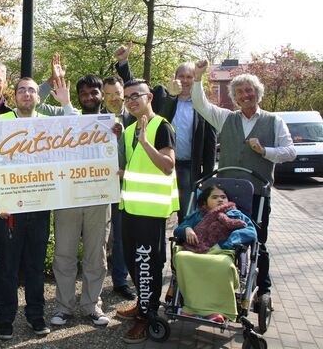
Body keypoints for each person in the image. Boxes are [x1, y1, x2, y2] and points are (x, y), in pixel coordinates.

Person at [191, 63, 296, 307]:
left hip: (258, 193)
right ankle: (224, 283)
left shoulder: (273, 121)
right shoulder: (226, 118)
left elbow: (290, 152)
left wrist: (265, 151)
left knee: (257, 241)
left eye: (249, 90)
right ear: (235, 98)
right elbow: (201, 104)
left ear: (257, 93)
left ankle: (262, 290)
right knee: (223, 238)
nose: (245, 95)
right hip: (226, 196)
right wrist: (198, 78)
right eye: (240, 92)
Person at [0, 76, 78, 340]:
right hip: (9, 209)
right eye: (22, 90)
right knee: (8, 267)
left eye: (31, 90)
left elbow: (76, 128)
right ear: (14, 95)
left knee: (35, 266)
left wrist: (67, 102)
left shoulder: (49, 122)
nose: (27, 94)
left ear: (39, 96)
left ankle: (35, 316)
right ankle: (6, 319)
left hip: (40, 207)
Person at [116, 79, 178, 344]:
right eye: (127, 97)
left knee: (146, 266)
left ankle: (147, 316)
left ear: (149, 97)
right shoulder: (130, 130)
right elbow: (136, 168)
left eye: (135, 96)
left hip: (151, 212)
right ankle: (142, 303)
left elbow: (167, 165)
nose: (130, 101)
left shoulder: (160, 126)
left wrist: (145, 142)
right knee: (132, 260)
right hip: (130, 208)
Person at [50, 74, 112, 328]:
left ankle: (91, 305)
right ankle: (63, 307)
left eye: (93, 93)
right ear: (78, 98)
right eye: (84, 93)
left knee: (96, 256)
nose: (89, 97)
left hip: (99, 197)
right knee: (63, 254)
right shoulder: (63, 119)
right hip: (67, 197)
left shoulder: (112, 121)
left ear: (101, 95)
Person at [173, 186, 257, 321]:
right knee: (181, 257)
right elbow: (179, 229)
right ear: (205, 202)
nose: (220, 200)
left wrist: (225, 243)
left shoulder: (235, 214)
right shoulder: (198, 215)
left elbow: (250, 232)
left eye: (223, 197)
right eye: (215, 197)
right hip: (198, 250)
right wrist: (187, 229)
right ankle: (191, 307)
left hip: (223, 252)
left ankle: (218, 310)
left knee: (222, 265)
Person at [162, 62, 216, 221]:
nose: (185, 81)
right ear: (175, 78)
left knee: (187, 214)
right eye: (181, 76)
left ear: (195, 79)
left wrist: (206, 177)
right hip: (162, 165)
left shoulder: (203, 107)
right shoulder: (165, 100)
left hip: (187, 167)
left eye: (189, 77)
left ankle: (184, 244)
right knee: (159, 211)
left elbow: (210, 146)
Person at [100, 75, 136, 301]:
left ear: (124, 94)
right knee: (101, 237)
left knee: (122, 236)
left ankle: (120, 281)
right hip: (101, 184)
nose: (113, 98)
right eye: (109, 94)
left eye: (117, 93)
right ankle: (94, 282)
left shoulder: (136, 118)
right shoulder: (94, 120)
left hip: (128, 184)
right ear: (103, 97)